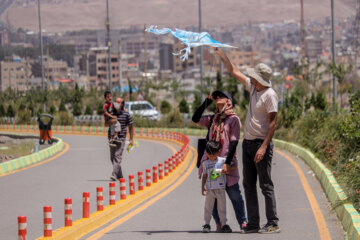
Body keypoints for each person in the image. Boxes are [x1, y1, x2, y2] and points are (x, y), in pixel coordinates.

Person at [215, 47, 280, 234]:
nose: (249, 78)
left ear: (260, 79)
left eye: (253, 76)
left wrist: (264, 147)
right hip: (248, 144)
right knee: (248, 184)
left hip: (261, 144)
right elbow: (234, 71)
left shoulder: (270, 95)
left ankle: (273, 222)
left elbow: (273, 123)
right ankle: (253, 223)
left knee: (265, 184)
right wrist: (222, 56)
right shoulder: (252, 88)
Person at [192, 90, 247, 233]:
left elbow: (234, 143)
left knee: (234, 194)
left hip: (226, 163)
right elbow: (195, 118)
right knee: (214, 195)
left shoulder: (234, 119)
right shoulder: (212, 119)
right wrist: (207, 101)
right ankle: (219, 223)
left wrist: (227, 163)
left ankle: (243, 222)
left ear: (228, 101)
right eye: (216, 97)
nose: (217, 98)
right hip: (212, 164)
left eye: (220, 97)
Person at [201, 140, 232, 233]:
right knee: (208, 207)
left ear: (218, 151)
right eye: (209, 154)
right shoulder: (206, 163)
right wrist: (202, 187)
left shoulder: (222, 161)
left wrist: (226, 169)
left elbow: (231, 168)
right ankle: (206, 224)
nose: (211, 156)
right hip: (210, 190)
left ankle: (224, 224)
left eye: (213, 154)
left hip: (220, 189)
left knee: (222, 208)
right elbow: (205, 175)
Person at [109, 97, 134, 181]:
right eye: (116, 102)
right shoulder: (111, 113)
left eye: (119, 102)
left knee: (117, 156)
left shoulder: (126, 115)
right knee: (112, 158)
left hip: (121, 138)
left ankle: (114, 175)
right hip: (112, 138)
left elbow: (131, 127)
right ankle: (120, 175)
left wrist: (131, 139)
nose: (116, 103)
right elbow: (106, 124)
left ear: (122, 104)